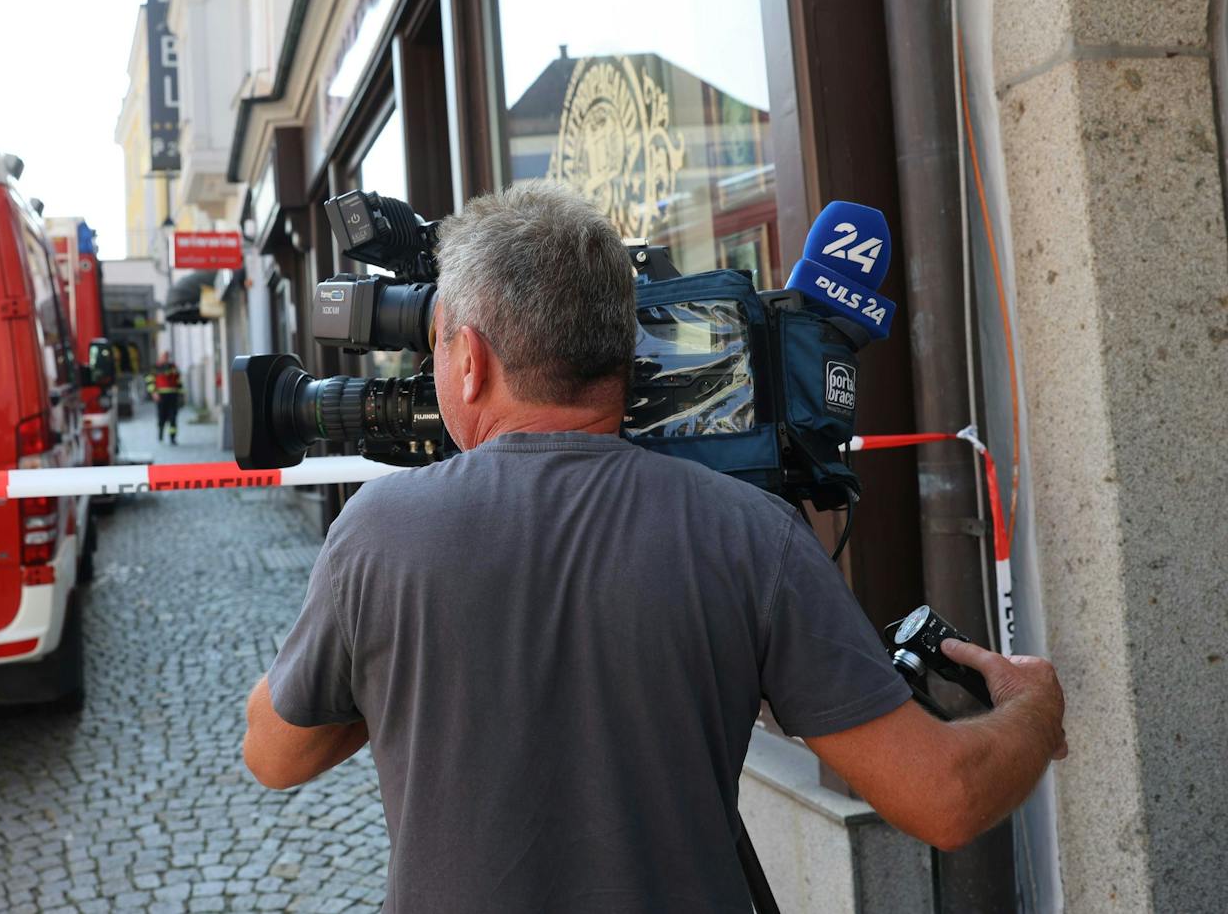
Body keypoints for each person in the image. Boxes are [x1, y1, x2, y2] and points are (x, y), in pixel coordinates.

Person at [242, 181, 1068, 912]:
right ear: (624, 349)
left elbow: (273, 751)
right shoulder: (750, 535)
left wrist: (392, 651)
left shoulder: (379, 534)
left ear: (471, 361)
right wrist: (1034, 707)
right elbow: (945, 797)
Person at [148, 351, 183, 444]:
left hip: (173, 395)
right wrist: (154, 392)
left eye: (167, 357)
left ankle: (172, 438)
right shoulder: (155, 368)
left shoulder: (173, 367)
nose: (166, 359)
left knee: (173, 417)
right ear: (160, 357)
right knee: (161, 416)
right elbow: (150, 381)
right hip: (161, 396)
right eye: (164, 357)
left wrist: (181, 395)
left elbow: (178, 381)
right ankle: (160, 434)